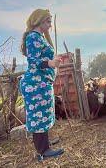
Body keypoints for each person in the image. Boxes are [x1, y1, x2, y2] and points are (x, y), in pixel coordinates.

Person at [19, 9, 64, 161]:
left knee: (43, 114)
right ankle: (43, 151)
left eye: (51, 22)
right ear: (39, 21)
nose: (50, 25)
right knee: (38, 116)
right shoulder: (33, 36)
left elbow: (41, 58)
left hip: (41, 82)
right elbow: (33, 61)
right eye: (48, 21)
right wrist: (51, 63)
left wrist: (53, 61)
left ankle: (45, 144)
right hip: (35, 83)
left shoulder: (39, 37)